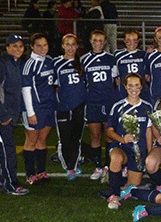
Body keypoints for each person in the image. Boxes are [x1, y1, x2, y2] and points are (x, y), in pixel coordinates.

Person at [0, 33, 29, 195]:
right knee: (6, 147)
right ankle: (10, 184)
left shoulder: (15, 64)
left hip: (6, 114)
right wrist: (3, 115)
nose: (18, 49)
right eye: (14, 46)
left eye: (21, 46)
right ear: (7, 47)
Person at [102, 73, 155, 210]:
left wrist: (149, 152)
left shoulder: (147, 107)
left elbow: (149, 131)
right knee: (117, 158)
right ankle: (113, 194)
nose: (134, 89)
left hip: (138, 152)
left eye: (137, 85)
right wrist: (122, 139)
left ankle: (121, 177)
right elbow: (109, 131)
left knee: (131, 189)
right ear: (125, 86)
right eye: (130, 86)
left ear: (142, 86)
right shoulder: (118, 106)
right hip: (121, 147)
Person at [81, 30, 119, 181]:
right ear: (90, 41)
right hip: (93, 102)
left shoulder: (111, 59)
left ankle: (107, 166)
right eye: (95, 40)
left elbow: (116, 81)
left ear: (105, 42)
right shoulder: (83, 59)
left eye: (101, 41)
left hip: (108, 101)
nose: (98, 43)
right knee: (95, 136)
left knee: (109, 135)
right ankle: (97, 166)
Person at [21, 33, 56, 185]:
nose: (43, 48)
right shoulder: (29, 64)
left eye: (45, 45)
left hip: (48, 107)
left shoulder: (49, 61)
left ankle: (41, 171)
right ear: (32, 47)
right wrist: (30, 112)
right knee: (31, 140)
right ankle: (30, 174)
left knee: (42, 139)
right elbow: (25, 89)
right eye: (39, 46)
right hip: (35, 108)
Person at [53, 34, 87, 181]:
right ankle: (67, 166)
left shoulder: (82, 62)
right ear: (62, 45)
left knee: (76, 137)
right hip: (63, 106)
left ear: (77, 46)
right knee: (64, 138)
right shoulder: (55, 63)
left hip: (79, 106)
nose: (70, 47)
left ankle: (73, 165)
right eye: (67, 44)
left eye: (73, 44)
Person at [115, 29, 147, 100]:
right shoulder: (117, 55)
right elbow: (114, 74)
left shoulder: (144, 54)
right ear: (124, 40)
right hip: (123, 90)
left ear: (138, 41)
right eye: (128, 40)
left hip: (141, 90)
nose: (131, 43)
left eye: (134, 40)